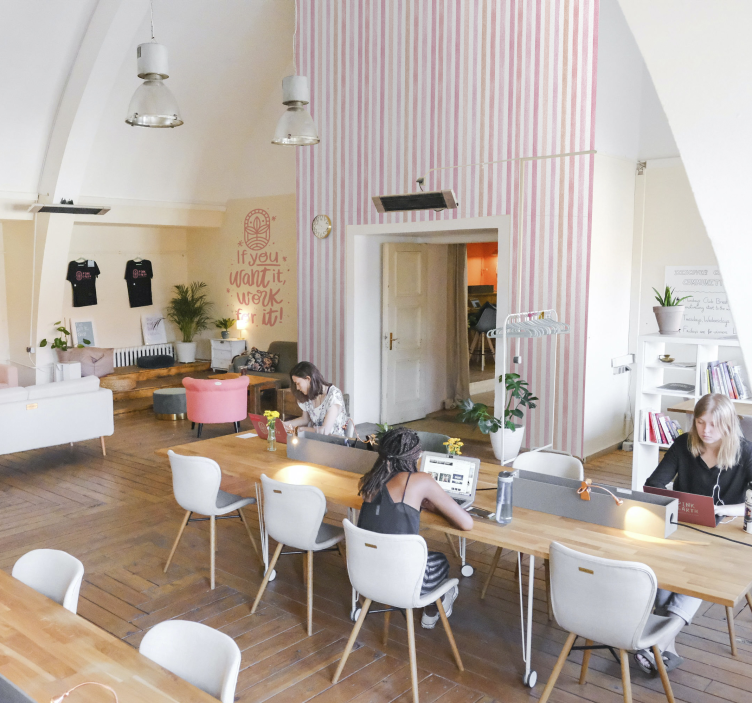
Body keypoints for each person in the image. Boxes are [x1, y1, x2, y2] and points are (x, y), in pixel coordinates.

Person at [637, 393, 752, 675]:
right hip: (684, 528)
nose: (706, 431)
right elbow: (653, 485)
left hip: (725, 536)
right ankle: (666, 648)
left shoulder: (745, 452)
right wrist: (680, 505)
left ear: (728, 424)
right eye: (700, 422)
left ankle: (655, 644)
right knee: (663, 577)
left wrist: (723, 509)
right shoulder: (683, 444)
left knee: (700, 574)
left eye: (713, 424)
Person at [357, 427, 474, 629]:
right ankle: (433, 607)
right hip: (404, 582)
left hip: (366, 574)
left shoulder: (368, 480)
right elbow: (467, 523)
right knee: (441, 560)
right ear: (416, 455)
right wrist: (436, 508)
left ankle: (432, 606)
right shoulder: (420, 481)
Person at [283, 361, 349, 437]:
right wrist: (284, 424)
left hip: (334, 441)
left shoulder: (334, 395)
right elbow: (305, 419)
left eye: (298, 383)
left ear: (308, 379)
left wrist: (301, 429)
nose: (297, 388)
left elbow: (325, 431)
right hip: (314, 439)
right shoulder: (307, 395)